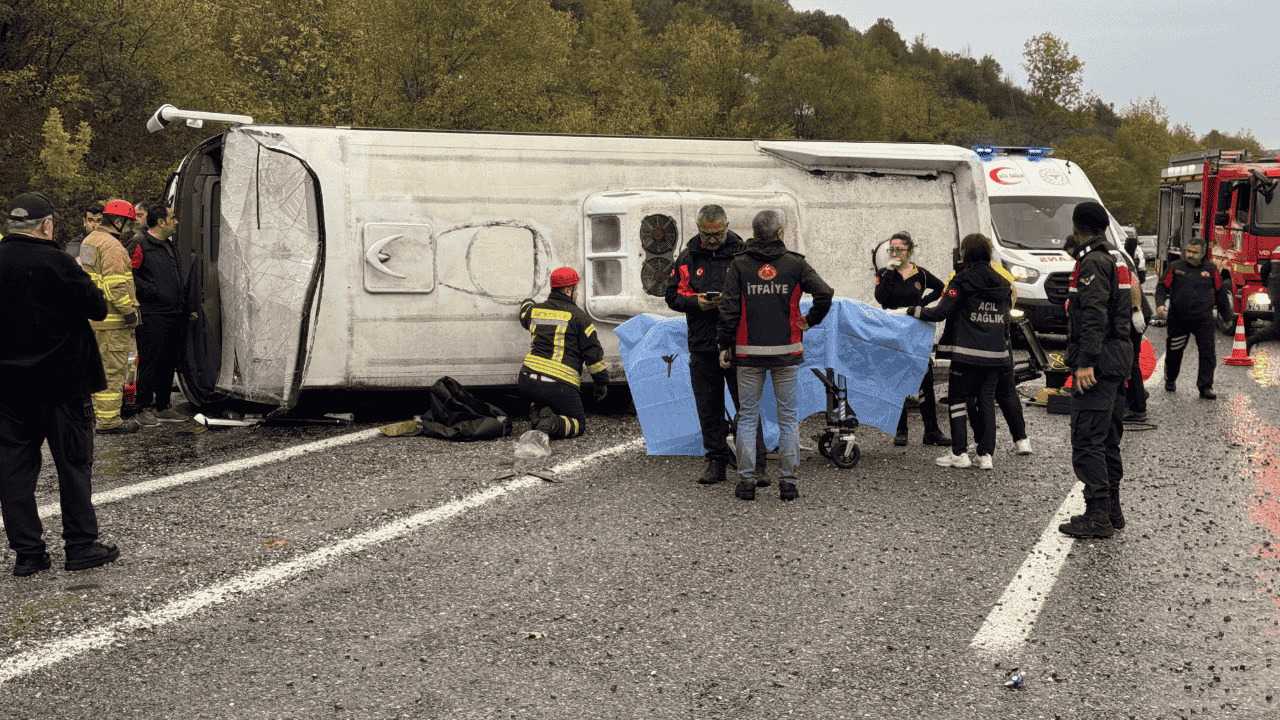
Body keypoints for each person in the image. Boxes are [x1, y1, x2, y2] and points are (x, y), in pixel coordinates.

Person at [0, 192, 120, 575]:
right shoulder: (58, 261)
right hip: (63, 384)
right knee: (73, 464)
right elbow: (97, 307)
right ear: (47, 226)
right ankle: (80, 546)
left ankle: (28, 554)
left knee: (14, 470)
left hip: (9, 387)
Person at [717, 210, 833, 502]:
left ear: (753, 233)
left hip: (748, 351)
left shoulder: (739, 264)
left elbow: (729, 309)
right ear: (780, 233)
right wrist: (810, 320)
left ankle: (746, 483)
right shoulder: (795, 263)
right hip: (787, 351)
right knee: (788, 418)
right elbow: (825, 293)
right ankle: (788, 484)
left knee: (747, 416)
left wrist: (724, 344)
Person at [665, 205, 768, 486]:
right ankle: (716, 462)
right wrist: (696, 303)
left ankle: (757, 465)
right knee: (708, 407)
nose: (712, 240)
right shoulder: (687, 257)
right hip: (702, 344)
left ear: (727, 226)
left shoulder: (744, 255)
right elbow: (671, 295)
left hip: (738, 343)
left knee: (746, 406)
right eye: (706, 234)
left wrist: (731, 301)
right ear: (699, 228)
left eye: (717, 234)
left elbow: (759, 292)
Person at [898, 234, 1012, 471]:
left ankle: (959, 453)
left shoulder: (961, 280)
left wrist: (913, 311)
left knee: (958, 400)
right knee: (986, 401)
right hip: (996, 355)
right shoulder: (1003, 282)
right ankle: (986, 455)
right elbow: (1006, 321)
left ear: (966, 253)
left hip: (966, 353)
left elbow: (941, 312)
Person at [1059, 201, 1134, 538]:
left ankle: (1098, 515)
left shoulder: (1092, 261)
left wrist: (1086, 361)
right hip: (1118, 358)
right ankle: (1112, 510)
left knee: (1088, 438)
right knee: (1108, 440)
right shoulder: (1117, 257)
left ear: (1077, 226)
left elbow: (1094, 313)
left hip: (1100, 361)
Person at [873, 231, 950, 448]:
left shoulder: (920, 274)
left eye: (899, 249)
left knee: (925, 378)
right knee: (896, 379)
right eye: (891, 249)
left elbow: (941, 288)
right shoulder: (884, 272)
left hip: (915, 331)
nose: (895, 253)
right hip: (893, 331)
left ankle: (932, 431)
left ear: (910, 251)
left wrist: (921, 304)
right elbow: (881, 298)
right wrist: (890, 271)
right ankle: (900, 430)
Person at [517, 267, 608, 440]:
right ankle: (552, 423)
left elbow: (523, 314)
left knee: (541, 397)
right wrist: (601, 383)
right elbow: (593, 356)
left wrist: (527, 301)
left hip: (527, 381)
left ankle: (538, 414)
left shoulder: (535, 311)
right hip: (559, 384)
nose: (577, 293)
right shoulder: (579, 317)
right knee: (578, 424)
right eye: (575, 289)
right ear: (568, 291)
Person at [80, 199, 142, 433]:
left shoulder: (90, 241)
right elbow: (115, 285)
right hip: (113, 321)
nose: (129, 228)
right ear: (117, 221)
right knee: (113, 371)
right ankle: (109, 422)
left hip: (94, 318)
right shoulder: (112, 246)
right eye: (128, 223)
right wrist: (129, 311)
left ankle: (99, 415)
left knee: (96, 369)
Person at [130, 204, 191, 425]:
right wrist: (152, 291)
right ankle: (142, 408)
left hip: (173, 313)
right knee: (150, 361)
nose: (176, 222)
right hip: (152, 314)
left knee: (168, 362)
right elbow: (129, 274)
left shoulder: (168, 245)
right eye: (172, 218)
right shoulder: (139, 243)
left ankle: (163, 407)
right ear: (161, 222)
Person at [1154, 236, 1231, 400]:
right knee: (1174, 351)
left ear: (1203, 253)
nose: (1190, 255)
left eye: (1194, 252)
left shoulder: (1211, 269)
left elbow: (1221, 293)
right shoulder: (1175, 267)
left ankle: (1205, 387)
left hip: (1204, 319)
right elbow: (1162, 287)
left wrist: (1227, 316)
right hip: (1178, 319)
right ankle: (1170, 379)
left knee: (1208, 353)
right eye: (1188, 251)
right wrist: (1160, 305)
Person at [1246, 249, 1280, 354]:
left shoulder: (1277, 249)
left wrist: (1269, 286)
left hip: (1275, 291)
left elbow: (1264, 270)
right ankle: (1251, 340)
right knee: (1277, 329)